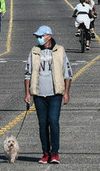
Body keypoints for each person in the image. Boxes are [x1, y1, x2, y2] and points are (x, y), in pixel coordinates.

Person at [24, 25, 73, 164]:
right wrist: (27, 93)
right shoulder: (34, 51)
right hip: (38, 94)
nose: (39, 38)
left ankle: (55, 152)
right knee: (42, 123)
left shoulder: (60, 50)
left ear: (49, 36)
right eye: (37, 36)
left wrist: (66, 93)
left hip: (55, 93)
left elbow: (67, 73)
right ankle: (45, 153)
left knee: (53, 121)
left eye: (41, 36)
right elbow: (27, 73)